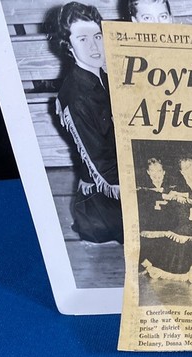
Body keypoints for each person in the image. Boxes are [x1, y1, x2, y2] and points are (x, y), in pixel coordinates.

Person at [54, 3, 123, 245]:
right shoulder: (76, 95)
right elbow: (99, 158)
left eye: (97, 36)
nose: (94, 46)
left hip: (121, 165)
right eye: (83, 39)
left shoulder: (102, 74)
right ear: (68, 46)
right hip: (107, 194)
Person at [143, 156, 192, 280]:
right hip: (182, 237)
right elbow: (162, 195)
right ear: (182, 173)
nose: (190, 172)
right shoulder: (175, 190)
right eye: (186, 169)